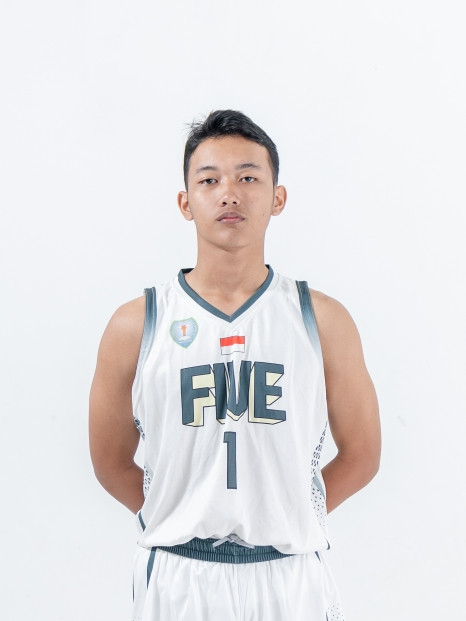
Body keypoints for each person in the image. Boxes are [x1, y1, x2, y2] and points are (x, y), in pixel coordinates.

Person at [89, 109, 381, 621]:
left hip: (289, 574)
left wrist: (289, 514)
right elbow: (110, 461)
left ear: (277, 198)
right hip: (179, 574)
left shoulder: (321, 319)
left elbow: (362, 453)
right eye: (209, 180)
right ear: (185, 202)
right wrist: (179, 513)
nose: (229, 193)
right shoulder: (137, 323)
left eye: (248, 178)